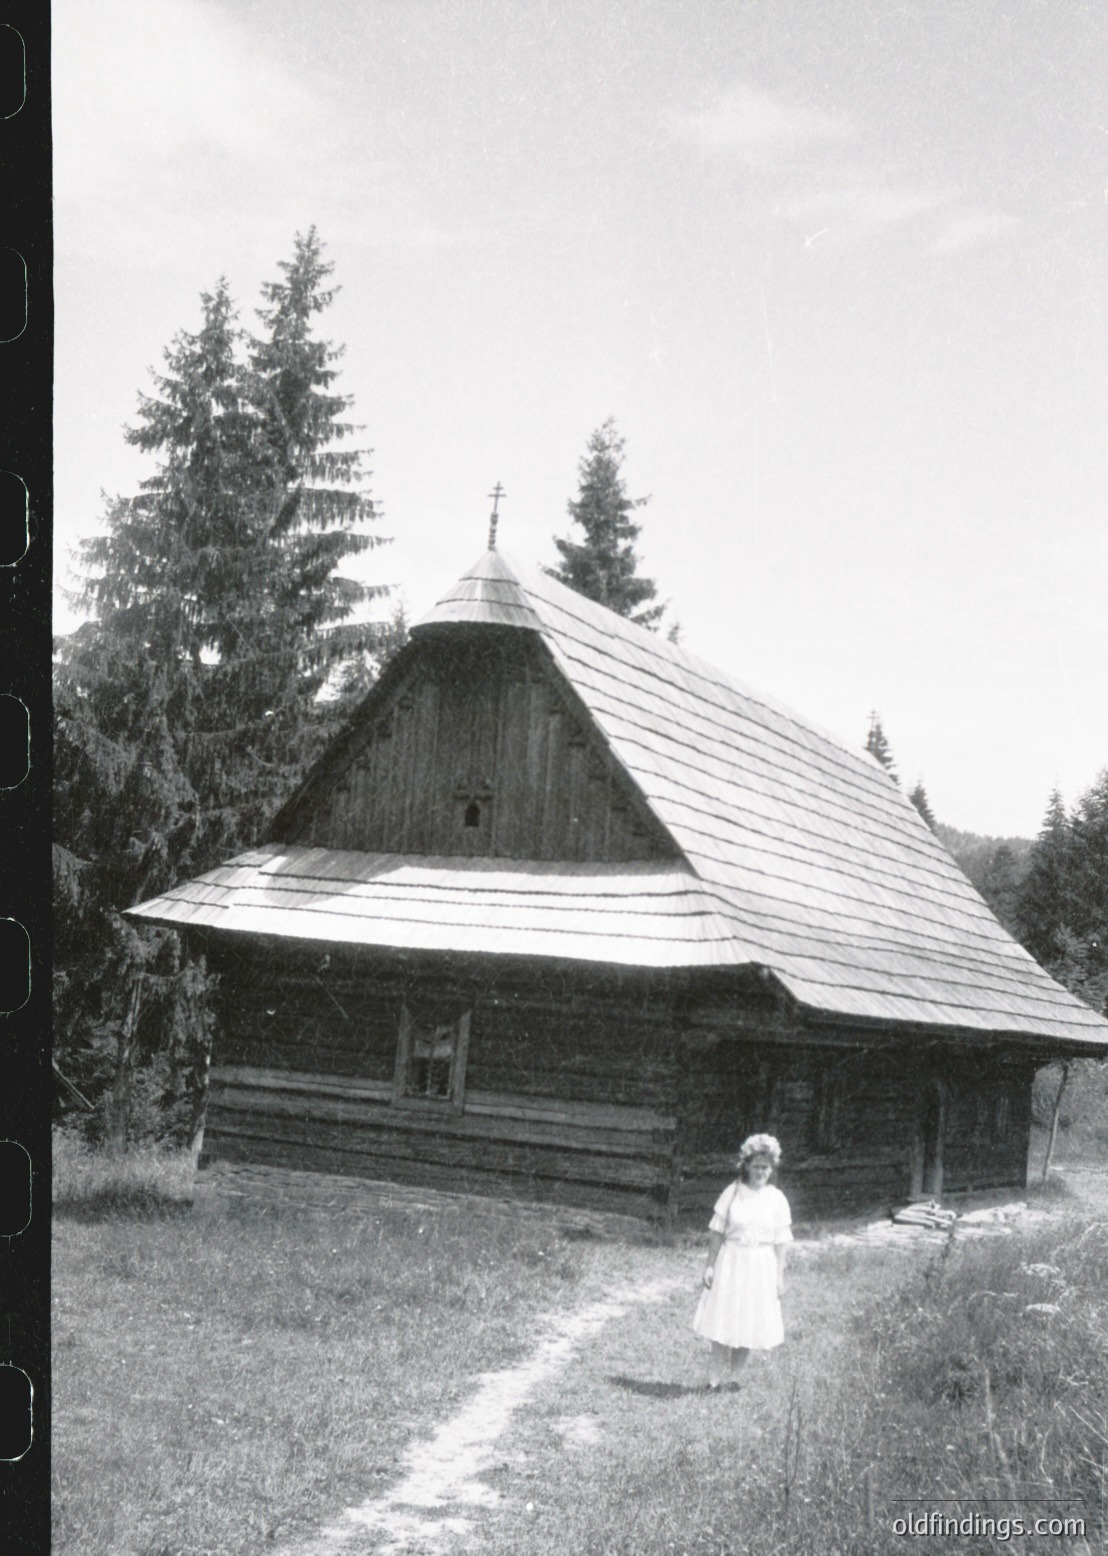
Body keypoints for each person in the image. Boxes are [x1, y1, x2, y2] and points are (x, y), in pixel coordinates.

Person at [693, 1133, 792, 1389]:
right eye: (756, 1166)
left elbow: (782, 1242)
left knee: (750, 1318)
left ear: (772, 1169)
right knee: (723, 1316)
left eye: (766, 1167)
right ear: (746, 1165)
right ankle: (714, 1380)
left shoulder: (777, 1199)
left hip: (761, 1264)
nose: (761, 1171)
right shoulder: (733, 1193)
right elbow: (717, 1232)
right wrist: (710, 1265)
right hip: (732, 1261)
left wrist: (779, 1276)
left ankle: (734, 1377)